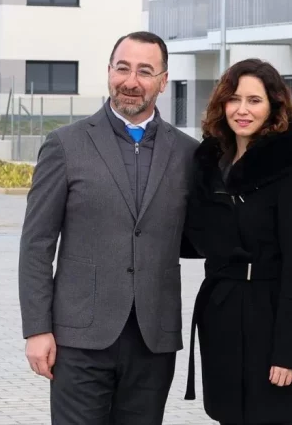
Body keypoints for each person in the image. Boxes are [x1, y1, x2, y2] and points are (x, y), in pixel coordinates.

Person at [18, 31, 198, 425]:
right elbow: (37, 243)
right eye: (123, 68)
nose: (131, 81)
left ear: (163, 81)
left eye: (145, 71)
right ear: (109, 72)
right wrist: (37, 329)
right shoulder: (65, 145)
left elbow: (200, 234)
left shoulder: (188, 154)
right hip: (79, 339)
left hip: (154, 339)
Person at [184, 58, 292, 425]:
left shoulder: (291, 170)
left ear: (275, 106)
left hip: (272, 317)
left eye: (254, 100)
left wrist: (291, 351)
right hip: (223, 312)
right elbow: (195, 237)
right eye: (234, 99)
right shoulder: (212, 163)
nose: (242, 110)